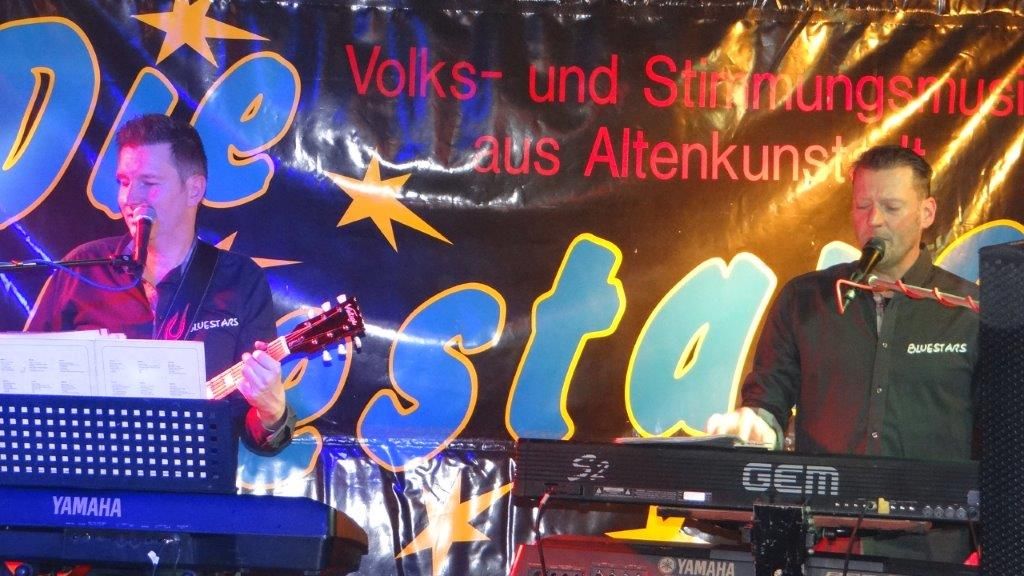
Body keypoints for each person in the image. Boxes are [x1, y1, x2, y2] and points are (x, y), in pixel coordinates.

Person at [706, 144, 978, 561]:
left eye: (891, 207)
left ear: (927, 212)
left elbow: (999, 437)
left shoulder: (967, 310)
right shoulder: (807, 299)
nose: (874, 220)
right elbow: (767, 401)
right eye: (863, 206)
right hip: (823, 545)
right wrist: (754, 425)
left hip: (937, 551)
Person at [25, 113, 295, 454]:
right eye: (124, 181)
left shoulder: (240, 280)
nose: (129, 197)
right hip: (86, 475)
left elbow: (256, 435)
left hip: (190, 480)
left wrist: (272, 411)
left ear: (194, 189)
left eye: (148, 183)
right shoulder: (84, 268)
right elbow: (25, 381)